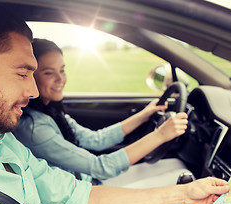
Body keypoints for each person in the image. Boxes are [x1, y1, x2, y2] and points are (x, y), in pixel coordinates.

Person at [0, 6, 229, 204]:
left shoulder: (0, 142)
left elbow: (77, 195)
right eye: (22, 73)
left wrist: (184, 194)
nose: (32, 92)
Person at [14, 38, 190, 182]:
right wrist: (160, 135)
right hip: (83, 195)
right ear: (30, 77)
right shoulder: (34, 127)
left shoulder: (50, 112)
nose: (61, 79)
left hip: (87, 182)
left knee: (176, 167)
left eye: (62, 70)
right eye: (49, 73)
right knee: (179, 175)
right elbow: (100, 167)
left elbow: (96, 139)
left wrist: (144, 115)